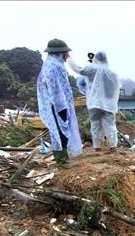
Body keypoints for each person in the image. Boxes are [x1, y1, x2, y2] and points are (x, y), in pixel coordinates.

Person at [37, 39, 83, 168]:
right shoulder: (52, 66)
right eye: (65, 53)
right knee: (60, 131)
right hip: (57, 105)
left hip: (60, 104)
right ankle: (61, 160)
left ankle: (63, 158)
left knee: (62, 130)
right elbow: (54, 88)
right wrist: (61, 105)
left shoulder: (55, 64)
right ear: (59, 53)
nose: (67, 55)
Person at [69, 51, 120, 153]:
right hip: (109, 104)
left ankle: (97, 147)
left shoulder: (92, 68)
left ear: (96, 59)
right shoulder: (112, 73)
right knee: (110, 124)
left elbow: (79, 69)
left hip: (95, 102)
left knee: (95, 124)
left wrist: (69, 59)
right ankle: (113, 146)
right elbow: (116, 88)